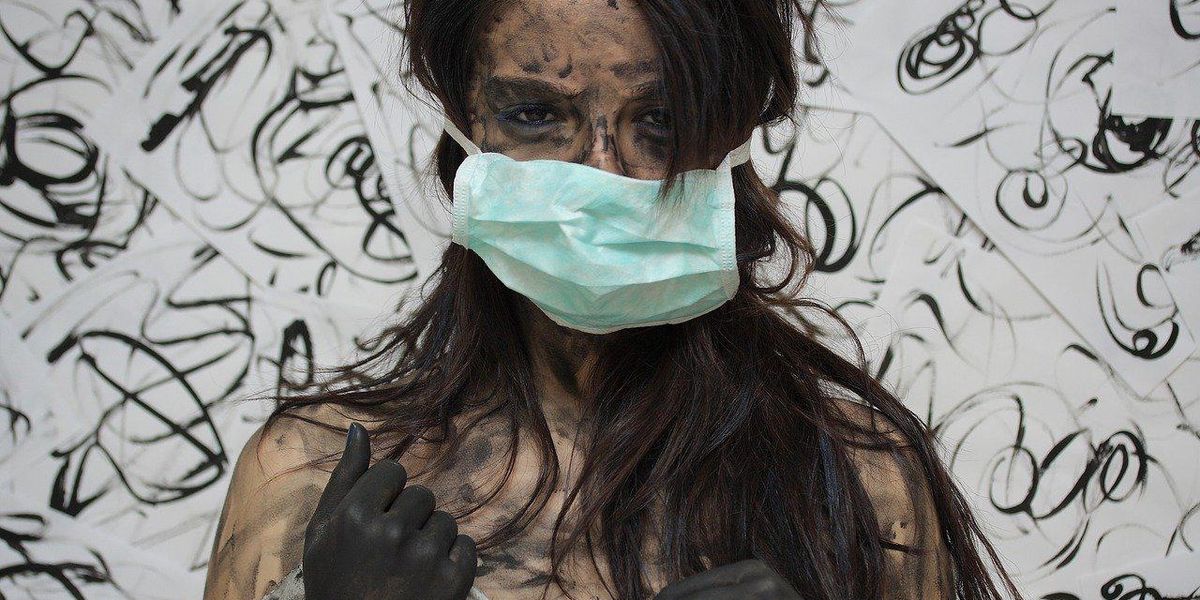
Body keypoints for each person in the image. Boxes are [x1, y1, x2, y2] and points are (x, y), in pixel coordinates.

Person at [202, 0, 1024, 599]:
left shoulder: (860, 487)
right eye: (536, 114)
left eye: (660, 120)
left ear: (735, 139)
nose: (605, 172)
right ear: (461, 127)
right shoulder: (308, 484)